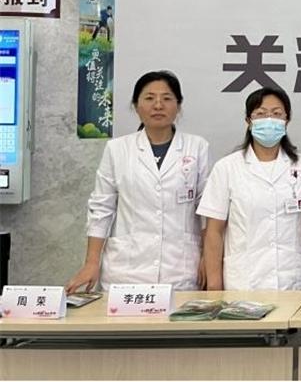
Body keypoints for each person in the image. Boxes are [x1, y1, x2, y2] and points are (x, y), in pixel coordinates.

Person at [66, 71, 209, 292]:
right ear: (136, 105)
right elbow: (102, 208)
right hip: (126, 271)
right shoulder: (117, 149)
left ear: (178, 106)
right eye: (149, 98)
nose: (158, 105)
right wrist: (91, 263)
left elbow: (207, 210)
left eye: (167, 98)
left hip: (181, 270)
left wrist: (208, 257)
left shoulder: (197, 147)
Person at [198, 86, 301, 290]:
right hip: (244, 282)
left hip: (292, 280)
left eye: (277, 113)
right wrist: (214, 284)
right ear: (248, 121)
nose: (269, 120)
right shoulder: (227, 168)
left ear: (287, 120)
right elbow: (214, 231)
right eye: (261, 114)